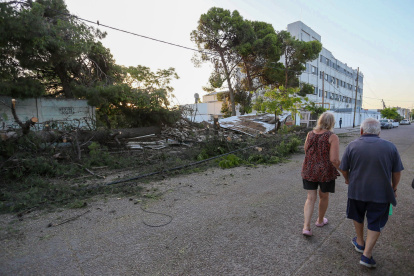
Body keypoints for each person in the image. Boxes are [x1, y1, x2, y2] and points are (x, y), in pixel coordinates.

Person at [340, 118, 404, 268]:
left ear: (361, 131)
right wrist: (394, 188)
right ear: (379, 132)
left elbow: (343, 168)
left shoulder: (352, 145)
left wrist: (348, 179)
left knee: (357, 215)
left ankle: (360, 242)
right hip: (381, 194)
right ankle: (367, 255)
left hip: (356, 191)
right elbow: (397, 172)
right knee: (375, 221)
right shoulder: (390, 147)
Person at [301, 112, 342, 237]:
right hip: (325, 172)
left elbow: (306, 150)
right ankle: (319, 221)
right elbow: (334, 160)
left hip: (309, 169)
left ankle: (306, 227)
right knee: (324, 196)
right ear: (331, 123)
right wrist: (344, 171)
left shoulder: (310, 134)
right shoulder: (332, 136)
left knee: (310, 198)